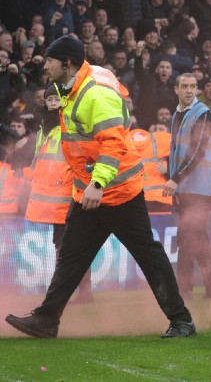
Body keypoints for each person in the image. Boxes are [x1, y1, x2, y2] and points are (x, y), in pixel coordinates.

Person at [5, 35, 194, 339]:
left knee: (148, 256)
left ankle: (182, 320)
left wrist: (97, 182)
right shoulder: (80, 84)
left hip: (117, 193)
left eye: (50, 60)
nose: (45, 66)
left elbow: (113, 142)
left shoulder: (94, 94)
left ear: (67, 63)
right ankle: (47, 319)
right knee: (71, 257)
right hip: (89, 194)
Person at [23, 84, 93, 303]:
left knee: (72, 246)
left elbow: (83, 159)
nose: (53, 104)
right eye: (49, 100)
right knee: (63, 247)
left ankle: (77, 292)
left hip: (70, 196)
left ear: (64, 101)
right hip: (55, 201)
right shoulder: (44, 129)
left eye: (56, 100)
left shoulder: (69, 125)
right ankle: (72, 292)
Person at [163, 73, 211, 300]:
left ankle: (187, 288)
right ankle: (208, 287)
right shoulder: (178, 115)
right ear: (176, 89)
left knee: (190, 237)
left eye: (193, 86)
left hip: (198, 188)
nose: (189, 90)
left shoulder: (203, 114)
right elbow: (177, 152)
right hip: (187, 188)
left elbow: (197, 151)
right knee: (193, 238)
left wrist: (175, 178)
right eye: (185, 86)